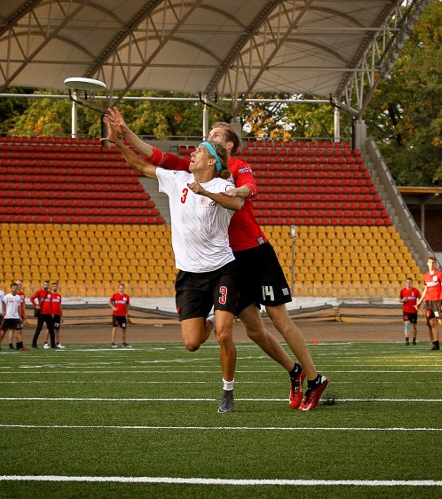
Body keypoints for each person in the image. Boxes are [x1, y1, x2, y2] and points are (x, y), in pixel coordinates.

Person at [106, 108, 328, 411]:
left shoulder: (235, 167)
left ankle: (315, 379)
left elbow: (249, 190)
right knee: (253, 329)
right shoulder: (192, 168)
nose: (207, 139)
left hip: (253, 250)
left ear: (227, 147)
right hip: (229, 259)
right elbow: (154, 157)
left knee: (278, 319)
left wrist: (226, 189)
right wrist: (124, 132)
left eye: (214, 137)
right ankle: (294, 371)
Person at [104, 122, 249, 413]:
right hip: (189, 275)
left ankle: (228, 391)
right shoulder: (177, 179)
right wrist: (118, 143)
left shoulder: (223, 184)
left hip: (223, 268)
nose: (192, 153)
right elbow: (140, 166)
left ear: (212, 161)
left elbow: (236, 204)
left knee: (224, 334)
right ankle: (208, 320)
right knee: (192, 343)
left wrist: (205, 193)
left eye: (200, 151)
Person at [416, 256, 442, 351]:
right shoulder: (426, 276)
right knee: (432, 323)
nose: (431, 264)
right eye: (430, 262)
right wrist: (420, 301)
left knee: (441, 322)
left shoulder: (439, 274)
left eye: (433, 263)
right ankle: (436, 344)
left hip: (438, 300)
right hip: (428, 302)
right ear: (427, 263)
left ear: (435, 264)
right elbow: (426, 289)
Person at [2, 282, 30, 351]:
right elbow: (3, 305)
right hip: (8, 316)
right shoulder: (7, 296)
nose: (14, 289)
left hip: (16, 317)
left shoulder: (18, 297)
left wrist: (20, 316)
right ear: (11, 288)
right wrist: (3, 314)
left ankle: (20, 346)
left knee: (19, 331)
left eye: (15, 288)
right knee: (5, 331)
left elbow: (19, 306)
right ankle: (6, 344)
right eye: (13, 288)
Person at [30, 280, 56, 349]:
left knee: (51, 329)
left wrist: (52, 312)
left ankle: (53, 345)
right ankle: (34, 344)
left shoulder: (50, 293)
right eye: (45, 285)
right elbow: (32, 299)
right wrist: (36, 305)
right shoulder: (39, 292)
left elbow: (51, 304)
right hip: (41, 314)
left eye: (47, 285)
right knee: (39, 329)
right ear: (43, 285)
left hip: (48, 314)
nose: (46, 286)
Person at [399, 277, 420, 345]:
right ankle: (407, 340)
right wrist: (402, 300)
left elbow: (421, 299)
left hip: (413, 311)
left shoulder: (415, 291)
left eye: (410, 282)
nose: (408, 284)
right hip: (406, 311)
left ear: (412, 283)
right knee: (406, 324)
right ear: (405, 283)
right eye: (407, 282)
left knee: (414, 326)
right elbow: (400, 300)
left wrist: (418, 306)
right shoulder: (402, 291)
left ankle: (414, 339)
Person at [109, 283, 131, 348]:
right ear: (118, 288)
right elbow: (109, 302)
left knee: (124, 329)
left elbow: (127, 306)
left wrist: (126, 314)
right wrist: (113, 307)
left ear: (124, 288)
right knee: (115, 327)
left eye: (122, 288)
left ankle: (124, 343)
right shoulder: (115, 295)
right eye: (120, 288)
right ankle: (113, 342)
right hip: (116, 315)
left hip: (123, 316)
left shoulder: (126, 297)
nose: (121, 289)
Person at [43, 281, 64, 349]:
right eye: (53, 286)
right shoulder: (49, 295)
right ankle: (45, 343)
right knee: (49, 328)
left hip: (57, 315)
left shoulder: (59, 296)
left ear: (57, 287)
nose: (55, 287)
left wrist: (61, 316)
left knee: (57, 329)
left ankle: (58, 343)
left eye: (56, 286)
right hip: (51, 314)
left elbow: (60, 306)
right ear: (51, 287)